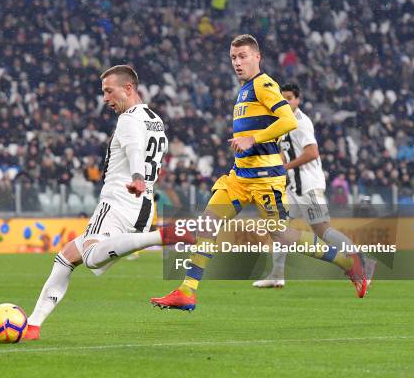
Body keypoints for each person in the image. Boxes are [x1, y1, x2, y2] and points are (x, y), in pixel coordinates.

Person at [150, 35, 370, 311]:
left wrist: (253, 139)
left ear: (257, 57)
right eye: (233, 57)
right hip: (240, 176)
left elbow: (288, 120)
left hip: (266, 179)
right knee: (208, 223)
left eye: (243, 56)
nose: (237, 62)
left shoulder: (264, 84)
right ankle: (187, 291)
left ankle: (348, 262)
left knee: (283, 235)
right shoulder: (243, 90)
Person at [23, 65, 194, 340]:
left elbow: (135, 149)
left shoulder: (128, 119)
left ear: (128, 88)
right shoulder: (155, 119)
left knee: (91, 258)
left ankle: (160, 236)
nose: (105, 98)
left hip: (119, 199)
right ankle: (32, 325)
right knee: (66, 257)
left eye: (108, 91)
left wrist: (137, 176)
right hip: (142, 204)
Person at [253, 83, 376, 288]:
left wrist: (285, 167)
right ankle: (276, 275)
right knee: (277, 227)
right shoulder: (283, 122)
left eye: (290, 98)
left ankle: (363, 262)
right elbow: (285, 151)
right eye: (283, 98)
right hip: (293, 188)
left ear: (298, 100)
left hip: (309, 186)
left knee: (322, 230)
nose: (286, 101)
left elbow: (312, 153)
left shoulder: (301, 123)